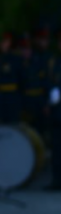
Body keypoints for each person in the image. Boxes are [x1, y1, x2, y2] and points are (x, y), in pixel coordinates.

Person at [0, 32, 23, 125]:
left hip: (11, 103)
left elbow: (21, 82)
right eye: (2, 41)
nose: (4, 44)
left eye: (6, 41)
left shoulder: (15, 59)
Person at [48, 33, 61, 190]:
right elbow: (49, 80)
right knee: (57, 146)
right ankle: (57, 179)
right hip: (57, 111)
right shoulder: (54, 61)